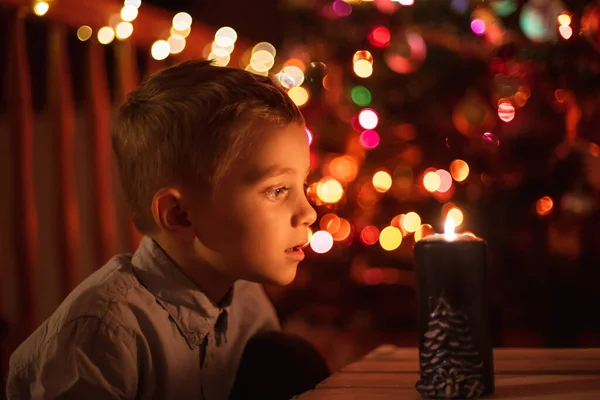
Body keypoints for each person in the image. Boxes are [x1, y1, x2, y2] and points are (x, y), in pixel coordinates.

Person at [7, 59, 319, 399]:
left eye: (303, 185)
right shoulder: (101, 337)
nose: (308, 212)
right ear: (180, 215)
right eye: (277, 190)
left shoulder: (249, 303)